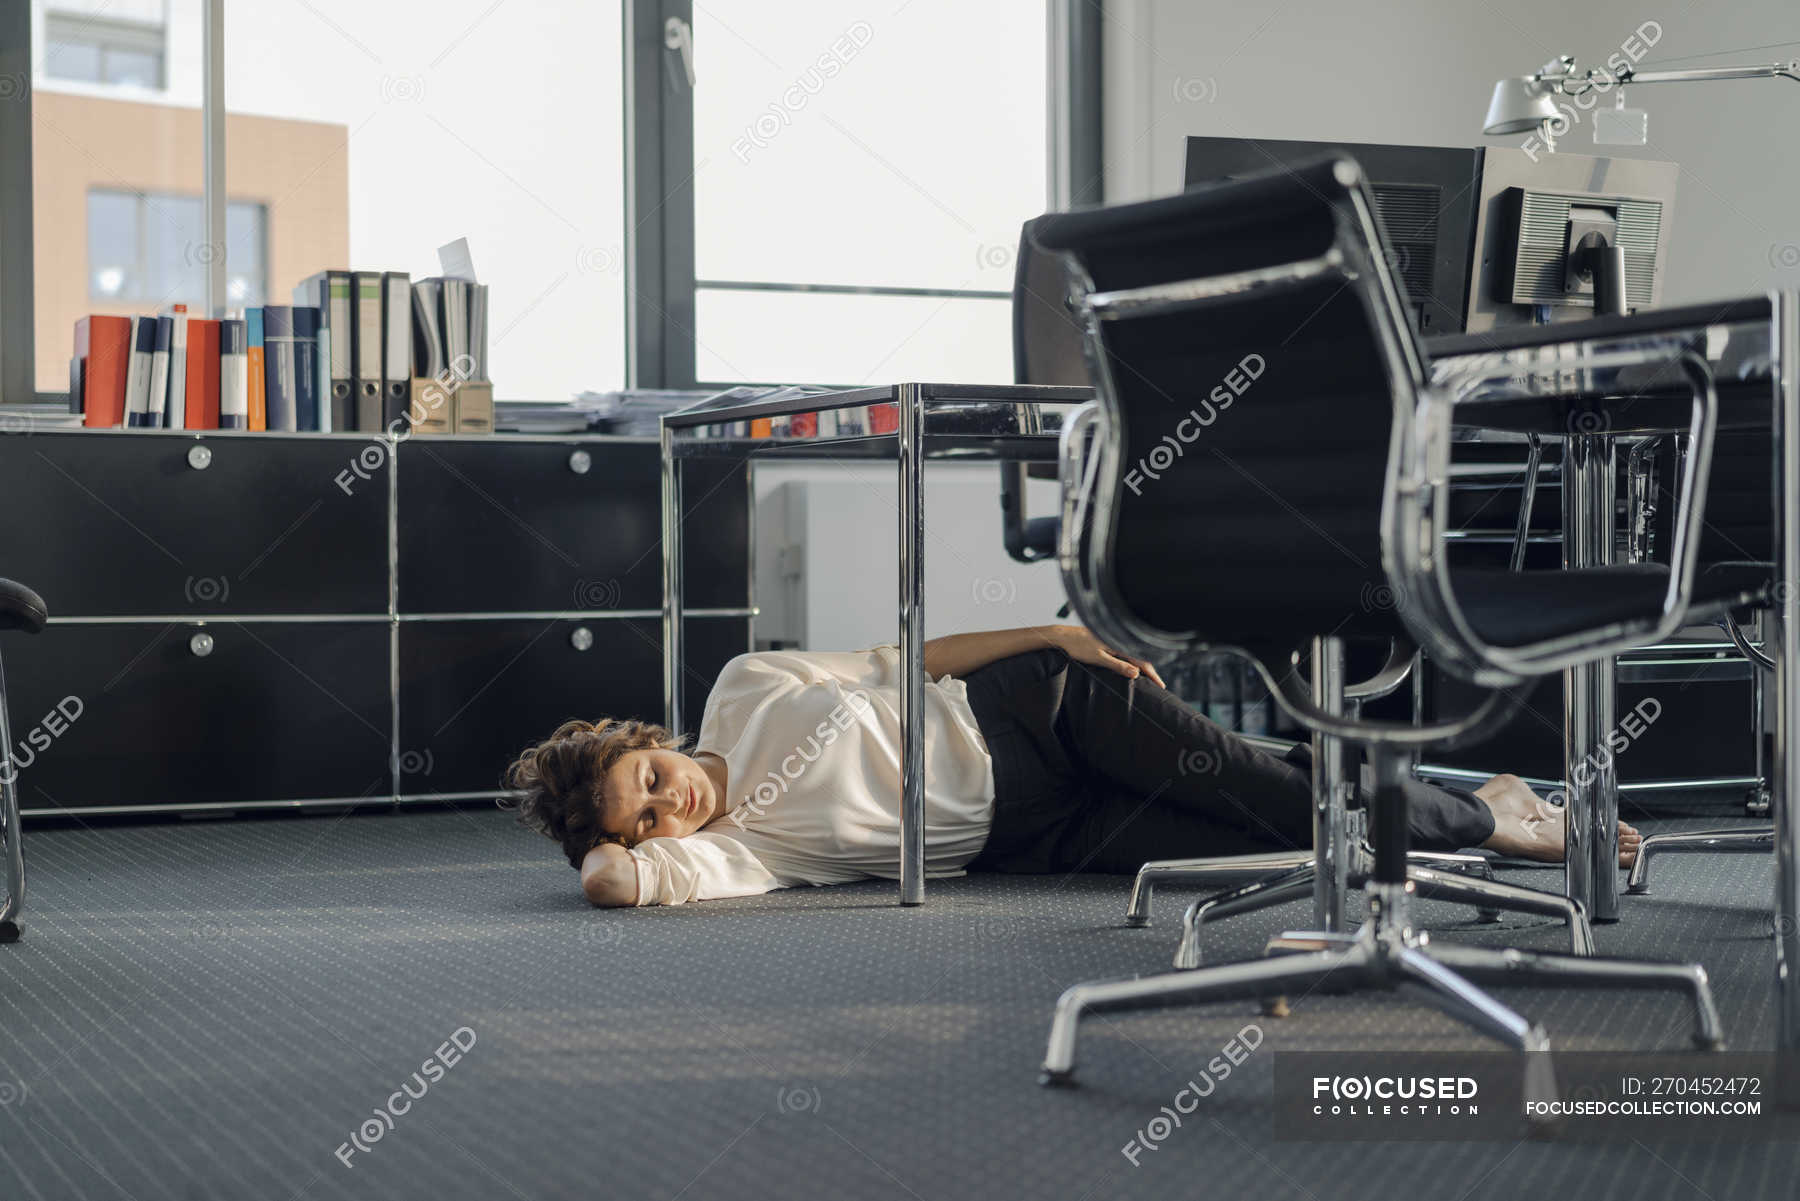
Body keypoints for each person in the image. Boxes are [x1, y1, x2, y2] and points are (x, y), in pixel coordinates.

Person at [503, 625, 1640, 907]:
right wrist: (612, 848)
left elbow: (903, 652)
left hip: (1034, 717)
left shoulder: (747, 685)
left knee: (1271, 786)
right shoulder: (733, 853)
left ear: (651, 739)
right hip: (1032, 838)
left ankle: (1496, 822)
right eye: (644, 817)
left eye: (649, 776)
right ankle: (1480, 796)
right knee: (1278, 838)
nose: (670, 801)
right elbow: (614, 887)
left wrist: (1053, 637)